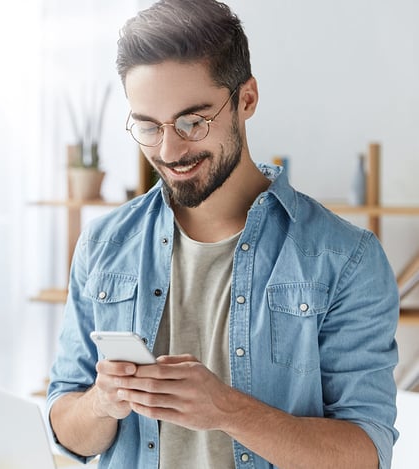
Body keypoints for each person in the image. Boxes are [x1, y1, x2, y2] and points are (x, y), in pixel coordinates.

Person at [46, 0, 399, 468]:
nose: (170, 150)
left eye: (193, 121)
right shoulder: (103, 245)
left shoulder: (344, 258)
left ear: (246, 99)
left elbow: (366, 455)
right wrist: (101, 403)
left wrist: (227, 410)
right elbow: (65, 430)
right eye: (149, 127)